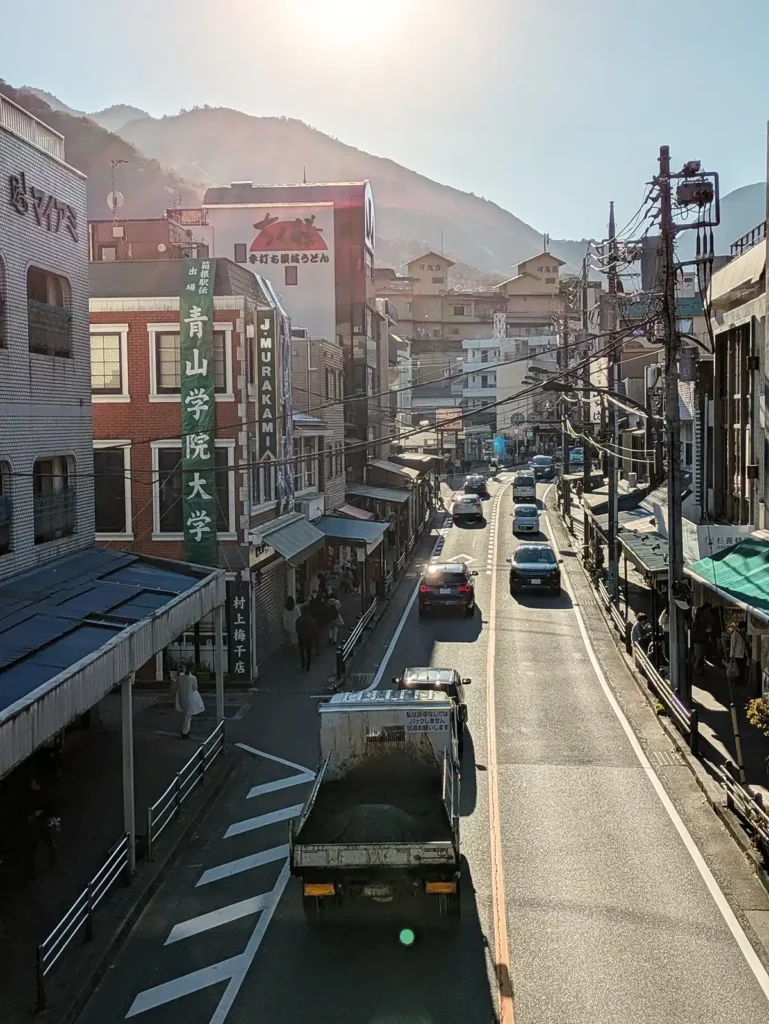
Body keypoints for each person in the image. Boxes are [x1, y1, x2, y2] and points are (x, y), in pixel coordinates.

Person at [174, 668, 204, 739]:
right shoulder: (193, 678)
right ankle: (185, 732)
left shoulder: (180, 676)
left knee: (184, 714)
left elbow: (177, 684)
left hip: (181, 696)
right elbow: (195, 688)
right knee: (188, 716)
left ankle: (185, 730)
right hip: (190, 697)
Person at [296, 604, 319, 671]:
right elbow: (315, 629)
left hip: (301, 637)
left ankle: (303, 664)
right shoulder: (311, 620)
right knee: (309, 651)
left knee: (302, 651)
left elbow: (297, 628)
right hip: (309, 637)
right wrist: (316, 637)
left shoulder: (299, 619)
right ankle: (308, 665)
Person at [692, 604, 711, 674]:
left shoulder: (702, 622)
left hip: (701, 639)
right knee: (699, 655)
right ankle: (696, 668)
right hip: (698, 639)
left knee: (701, 655)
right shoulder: (698, 623)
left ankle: (699, 668)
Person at [729, 620, 749, 685]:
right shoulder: (735, 634)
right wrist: (732, 655)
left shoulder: (744, 634)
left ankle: (741, 681)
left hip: (743, 654)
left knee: (742, 669)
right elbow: (733, 645)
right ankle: (737, 681)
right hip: (737, 655)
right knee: (737, 669)